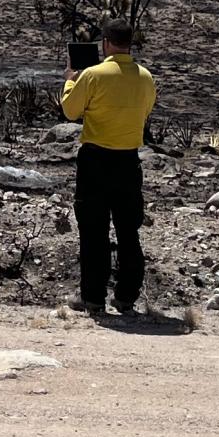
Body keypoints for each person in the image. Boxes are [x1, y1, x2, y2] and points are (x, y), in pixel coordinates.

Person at [60, 17, 157, 319]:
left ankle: (93, 298)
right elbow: (146, 111)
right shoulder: (145, 78)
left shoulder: (92, 75)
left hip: (96, 160)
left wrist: (70, 81)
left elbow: (70, 110)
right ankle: (126, 297)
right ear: (129, 43)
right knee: (129, 231)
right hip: (129, 161)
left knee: (93, 231)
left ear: (105, 43)